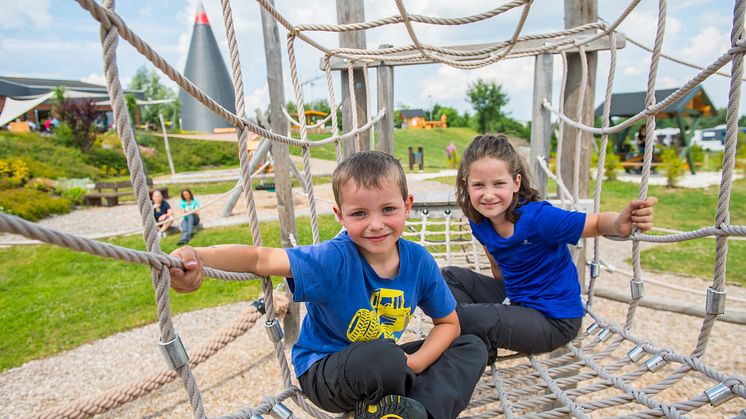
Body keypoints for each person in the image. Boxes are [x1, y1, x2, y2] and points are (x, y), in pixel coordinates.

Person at [169, 151, 486, 419]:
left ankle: (416, 413)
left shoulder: (418, 260)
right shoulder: (333, 258)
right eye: (359, 213)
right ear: (340, 215)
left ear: (407, 205)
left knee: (471, 346)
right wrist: (198, 255)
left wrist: (414, 362)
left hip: (386, 363)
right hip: (327, 371)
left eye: (388, 209)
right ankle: (399, 398)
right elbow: (258, 259)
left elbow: (449, 323)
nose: (375, 224)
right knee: (384, 358)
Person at [442, 134, 657, 362]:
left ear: (516, 183)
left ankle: (470, 339)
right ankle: (479, 343)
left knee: (461, 316)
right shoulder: (479, 221)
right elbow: (498, 267)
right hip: (518, 301)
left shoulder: (539, 218)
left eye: (498, 184)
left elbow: (595, 222)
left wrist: (619, 224)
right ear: (466, 184)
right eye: (478, 185)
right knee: (447, 278)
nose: (488, 194)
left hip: (554, 321)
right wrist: (504, 312)